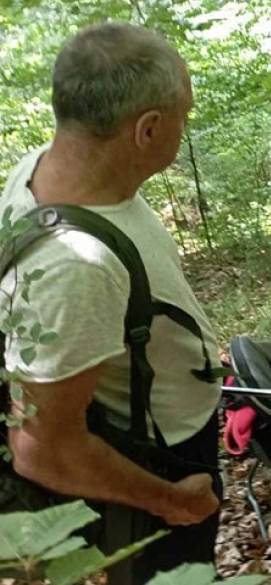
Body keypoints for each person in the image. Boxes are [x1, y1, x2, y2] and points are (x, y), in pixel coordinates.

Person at [0, 23, 223, 583]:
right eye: (183, 115)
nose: (185, 126)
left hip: (164, 428)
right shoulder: (75, 266)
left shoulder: (47, 167)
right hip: (153, 466)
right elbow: (43, 449)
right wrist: (171, 500)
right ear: (147, 129)